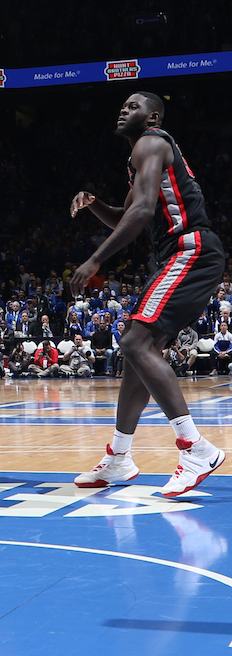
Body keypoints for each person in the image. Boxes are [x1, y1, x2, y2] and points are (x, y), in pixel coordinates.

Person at [70, 92, 226, 496]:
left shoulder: (152, 142)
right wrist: (94, 205)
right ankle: (120, 457)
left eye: (133, 106)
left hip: (189, 249)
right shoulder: (142, 156)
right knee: (139, 352)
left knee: (135, 341)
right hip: (182, 253)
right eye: (121, 104)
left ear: (152, 116)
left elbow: (141, 213)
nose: (123, 109)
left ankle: (195, 448)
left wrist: (94, 261)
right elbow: (127, 213)